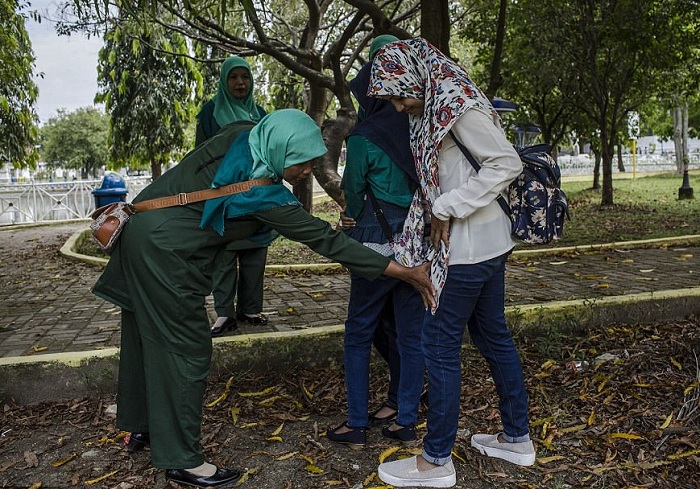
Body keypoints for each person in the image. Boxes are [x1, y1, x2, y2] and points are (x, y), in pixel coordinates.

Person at [92, 109, 435, 489]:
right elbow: (329, 241)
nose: (307, 171)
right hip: (166, 254)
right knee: (186, 350)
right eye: (301, 163)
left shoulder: (244, 134)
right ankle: (183, 461)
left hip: (138, 230)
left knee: (144, 338)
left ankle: (144, 428)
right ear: (281, 151)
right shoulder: (263, 195)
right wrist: (403, 272)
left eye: (311, 161)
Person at [368, 38, 535, 488]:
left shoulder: (457, 105)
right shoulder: (435, 102)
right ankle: (516, 437)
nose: (400, 106)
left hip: (470, 249)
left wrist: (448, 205)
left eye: (400, 94)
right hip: (479, 245)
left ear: (416, 76)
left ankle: (436, 460)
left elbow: (505, 162)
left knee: (438, 345)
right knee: (490, 334)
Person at [327, 34, 425, 448]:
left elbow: (351, 191)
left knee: (358, 333)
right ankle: (405, 418)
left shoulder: (363, 136)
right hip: (416, 243)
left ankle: (356, 423)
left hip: (374, 245)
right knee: (409, 332)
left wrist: (350, 212)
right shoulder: (420, 126)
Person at [195, 55, 270, 335]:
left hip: (256, 193)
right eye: (234, 77)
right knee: (224, 255)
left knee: (255, 249)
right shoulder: (210, 113)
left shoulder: (259, 113)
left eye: (245, 77)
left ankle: (251, 309)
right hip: (223, 193)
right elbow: (200, 155)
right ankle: (224, 313)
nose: (240, 82)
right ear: (225, 81)